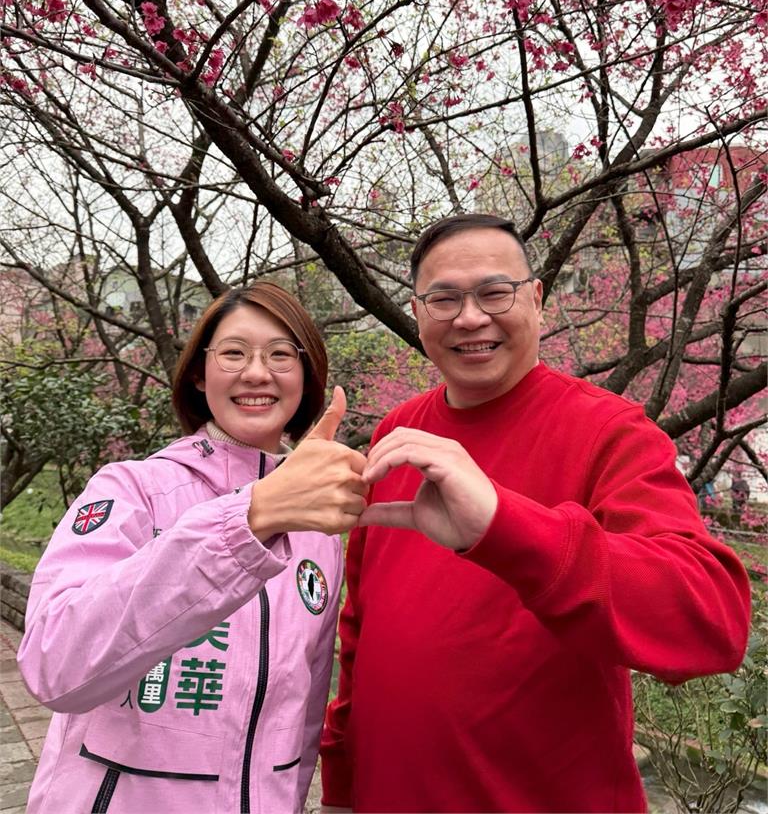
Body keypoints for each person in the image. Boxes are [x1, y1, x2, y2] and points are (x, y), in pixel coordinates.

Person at [320, 214, 751, 814]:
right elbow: (360, 627)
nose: (470, 318)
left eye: (495, 293)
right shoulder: (400, 433)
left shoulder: (611, 432)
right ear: (418, 313)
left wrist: (503, 524)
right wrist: (340, 780)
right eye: (443, 299)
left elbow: (710, 620)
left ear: (538, 300)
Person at [18, 281, 367, 814]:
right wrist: (251, 517)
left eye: (280, 355)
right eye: (233, 353)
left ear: (306, 377)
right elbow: (53, 665)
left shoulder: (319, 534)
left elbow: (302, 711)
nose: (257, 373)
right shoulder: (132, 490)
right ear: (200, 375)